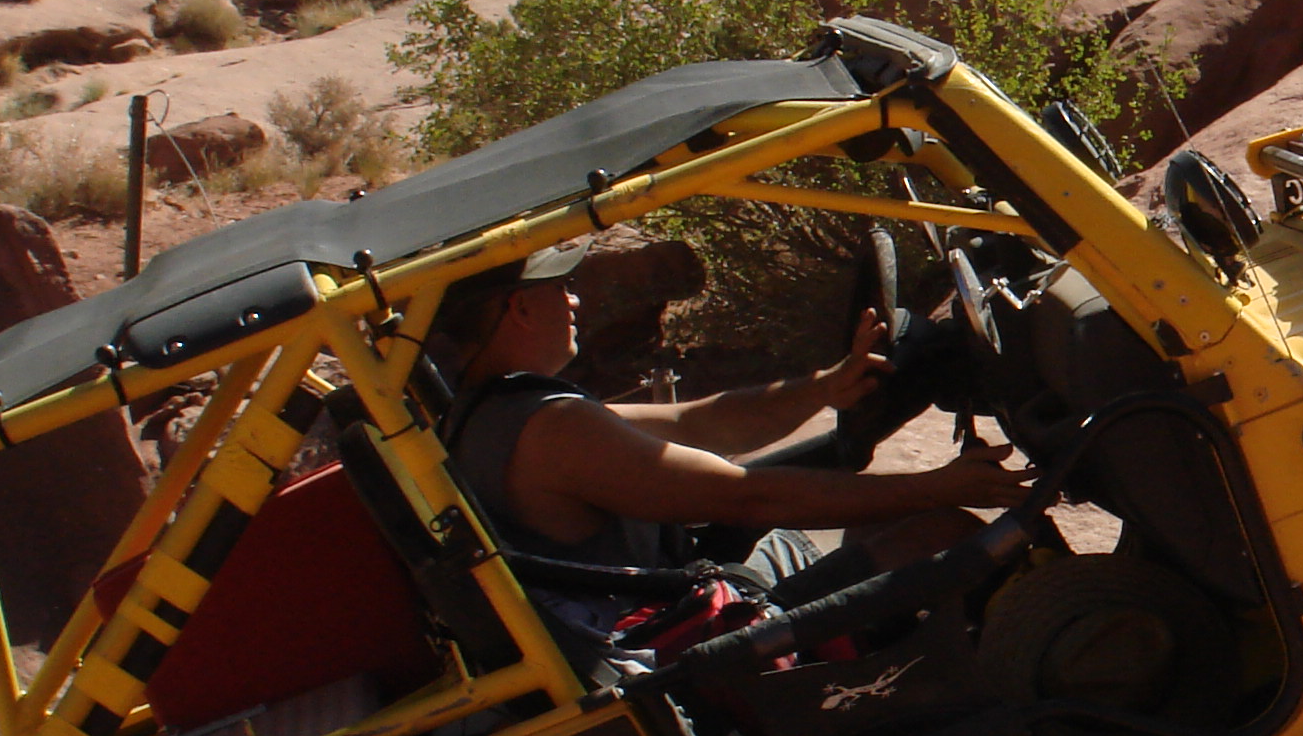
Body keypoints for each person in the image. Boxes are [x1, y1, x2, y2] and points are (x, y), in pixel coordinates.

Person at [430, 243, 1029, 628]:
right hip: (686, 640)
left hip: (678, 602)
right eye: (559, 286)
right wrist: (937, 486)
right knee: (946, 532)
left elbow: (698, 423)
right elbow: (746, 496)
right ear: (519, 309)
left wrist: (825, 387)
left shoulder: (492, 413)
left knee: (890, 522)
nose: (574, 298)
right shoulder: (552, 428)